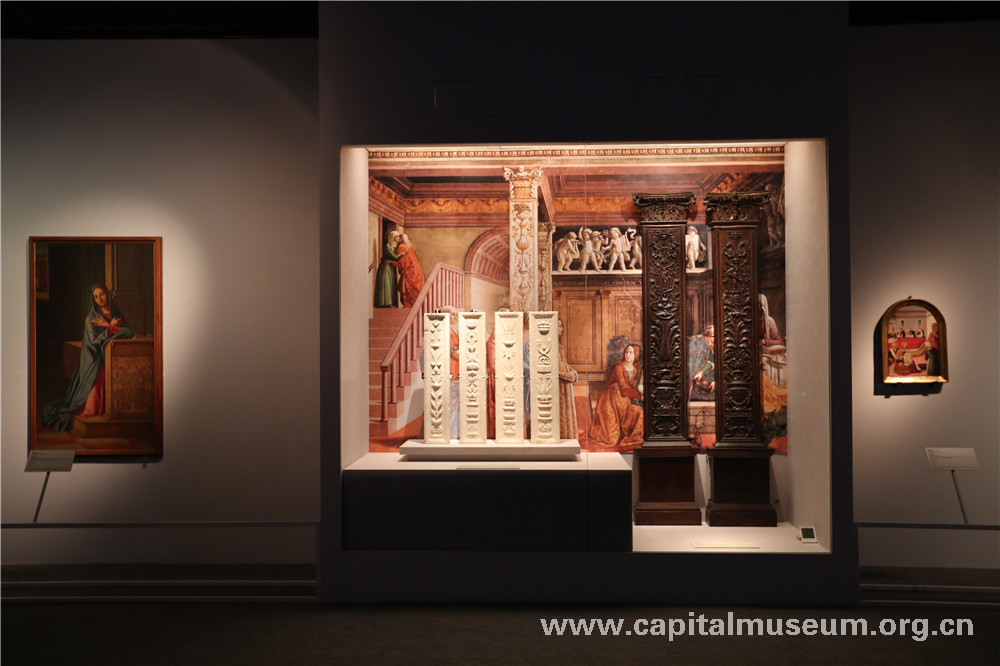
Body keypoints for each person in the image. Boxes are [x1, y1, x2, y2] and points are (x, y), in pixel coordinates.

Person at [41, 284, 134, 431]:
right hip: (95, 359)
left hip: (113, 358)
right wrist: (110, 327)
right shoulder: (91, 318)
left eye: (102, 294)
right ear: (93, 300)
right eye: (96, 297)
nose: (100, 299)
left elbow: (129, 332)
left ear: (107, 294)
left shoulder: (115, 313)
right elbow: (95, 342)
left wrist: (109, 325)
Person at [587, 343, 644, 451]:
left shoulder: (635, 370)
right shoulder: (618, 368)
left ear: (636, 355)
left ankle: (627, 435)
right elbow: (624, 388)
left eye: (631, 353)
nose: (627, 355)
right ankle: (594, 432)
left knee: (639, 412)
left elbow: (629, 386)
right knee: (611, 440)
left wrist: (639, 394)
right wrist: (639, 397)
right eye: (626, 352)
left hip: (623, 403)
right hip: (609, 401)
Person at [557, 319, 579, 440]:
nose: (562, 329)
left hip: (565, 386)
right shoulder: (549, 347)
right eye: (559, 326)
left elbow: (564, 363)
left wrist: (573, 372)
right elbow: (552, 370)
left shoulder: (560, 348)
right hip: (559, 386)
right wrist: (568, 375)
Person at [394, 233, 425, 308]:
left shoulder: (401, 247)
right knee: (416, 288)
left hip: (409, 270)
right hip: (417, 268)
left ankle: (409, 305)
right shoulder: (409, 245)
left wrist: (393, 262)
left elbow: (401, 261)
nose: (398, 240)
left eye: (399, 238)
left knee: (409, 287)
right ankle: (416, 305)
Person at [374, 231, 402, 308]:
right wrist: (404, 253)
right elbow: (395, 257)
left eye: (398, 237)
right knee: (386, 284)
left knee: (392, 284)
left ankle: (392, 303)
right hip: (385, 267)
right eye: (396, 237)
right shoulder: (387, 247)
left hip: (391, 267)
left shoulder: (397, 247)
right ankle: (386, 304)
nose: (398, 238)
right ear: (392, 237)